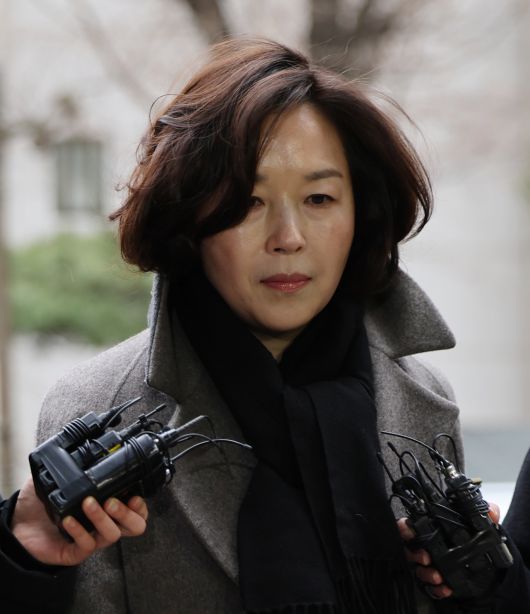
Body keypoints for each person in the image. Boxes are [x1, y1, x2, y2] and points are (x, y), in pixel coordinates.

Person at [0, 37, 528, 614]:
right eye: (249, 202)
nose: (288, 237)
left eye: (320, 198)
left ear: (361, 213)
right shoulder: (97, 406)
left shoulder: (423, 398)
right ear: (191, 216)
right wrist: (23, 559)